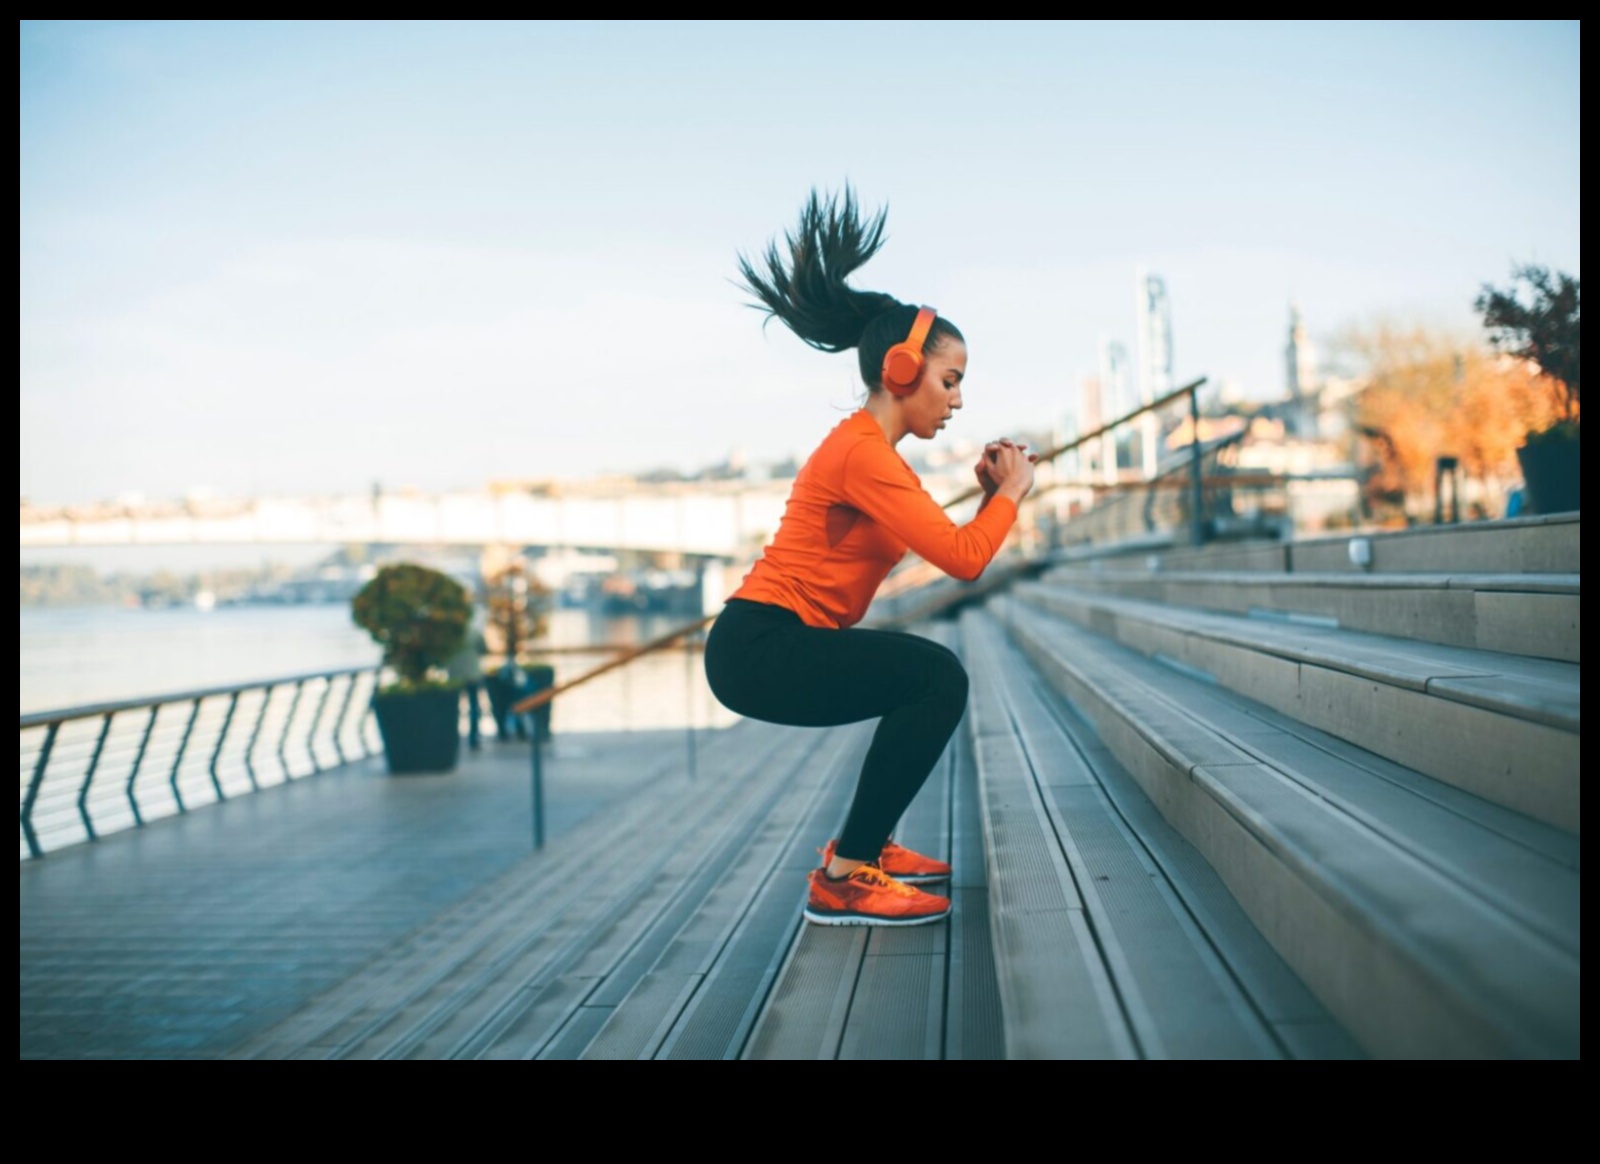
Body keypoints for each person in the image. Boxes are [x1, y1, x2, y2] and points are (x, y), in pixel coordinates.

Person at [704, 188, 1037, 927]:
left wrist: (990, 501)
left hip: (771, 641)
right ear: (900, 370)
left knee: (920, 679)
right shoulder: (863, 454)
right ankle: (846, 877)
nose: (955, 402)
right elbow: (963, 561)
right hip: (759, 645)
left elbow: (955, 544)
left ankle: (864, 852)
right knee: (934, 678)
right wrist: (1012, 493)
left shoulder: (875, 458)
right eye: (949, 382)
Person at [446, 611, 489, 750]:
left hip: (455, 675)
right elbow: (484, 649)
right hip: (472, 674)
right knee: (474, 707)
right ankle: (473, 738)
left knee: (454, 708)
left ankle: (453, 737)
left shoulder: (450, 636)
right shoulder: (473, 632)